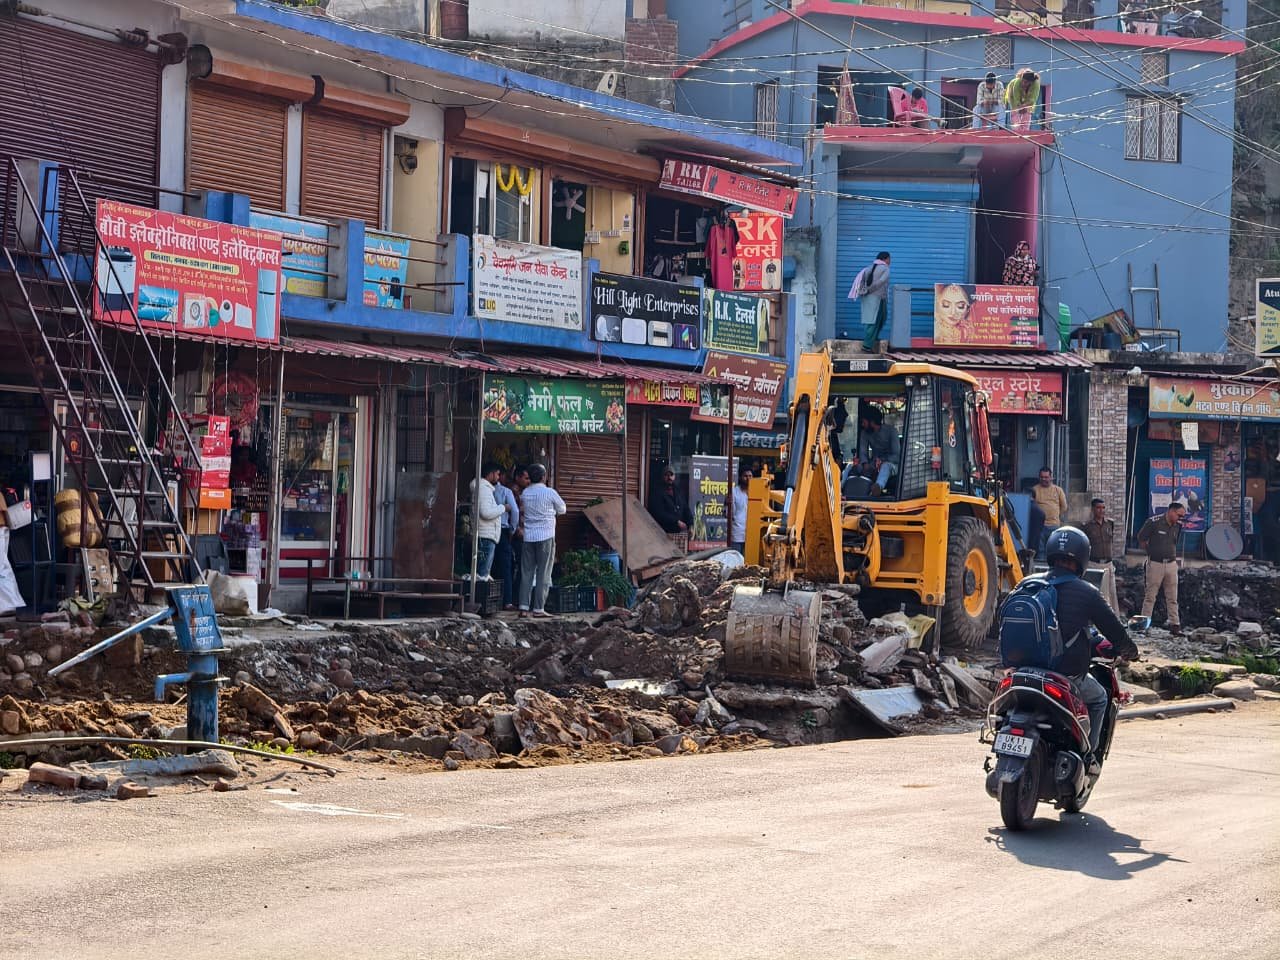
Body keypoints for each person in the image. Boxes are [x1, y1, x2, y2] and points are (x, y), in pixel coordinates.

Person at [1040, 526, 1139, 761]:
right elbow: (1116, 632)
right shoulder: (1087, 592)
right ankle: (1088, 757)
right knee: (1099, 698)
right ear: (1083, 558)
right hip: (1064, 675)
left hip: (1021, 671)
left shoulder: (1028, 584)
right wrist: (1130, 651)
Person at [518, 463, 565, 617]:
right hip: (546, 537)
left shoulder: (525, 493)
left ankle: (524, 607)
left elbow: (523, 510)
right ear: (544, 477)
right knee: (544, 573)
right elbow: (562, 509)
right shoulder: (549, 492)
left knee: (527, 572)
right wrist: (551, 512)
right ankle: (538, 609)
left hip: (528, 537)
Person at [1138, 501, 1186, 633]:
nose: (1180, 519)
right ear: (1171, 511)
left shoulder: (1178, 526)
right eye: (1179, 515)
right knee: (1150, 596)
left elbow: (1174, 542)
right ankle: (1144, 625)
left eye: (1182, 517)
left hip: (1171, 564)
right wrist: (1151, 552)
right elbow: (1141, 538)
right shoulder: (1154, 522)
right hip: (1155, 564)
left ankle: (1175, 625)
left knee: (1172, 597)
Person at [852, 403, 900, 496]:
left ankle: (878, 487)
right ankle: (843, 487)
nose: (862, 424)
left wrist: (883, 460)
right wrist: (865, 464)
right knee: (854, 467)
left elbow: (897, 456)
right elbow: (863, 452)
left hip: (892, 466)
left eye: (864, 422)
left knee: (886, 466)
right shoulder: (865, 433)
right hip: (874, 464)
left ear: (872, 422)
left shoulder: (891, 431)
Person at [848, 252, 891, 352]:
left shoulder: (868, 268)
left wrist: (865, 291)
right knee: (876, 321)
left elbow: (860, 282)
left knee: (872, 320)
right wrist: (870, 290)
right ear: (885, 259)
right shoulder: (886, 269)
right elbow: (881, 282)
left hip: (867, 297)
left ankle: (872, 339)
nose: (890, 261)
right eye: (889, 259)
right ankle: (867, 346)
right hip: (878, 298)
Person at [469, 461, 505, 581]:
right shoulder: (483, 489)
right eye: (497, 474)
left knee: (482, 572)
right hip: (485, 535)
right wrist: (503, 508)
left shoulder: (484, 488)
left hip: (485, 534)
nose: (499, 477)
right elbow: (485, 513)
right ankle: (479, 599)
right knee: (482, 574)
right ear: (491, 474)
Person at [493, 466, 521, 609]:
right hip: (503, 531)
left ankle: (490, 600)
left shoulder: (479, 489)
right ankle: (508, 601)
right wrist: (513, 529)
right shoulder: (505, 491)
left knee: (489, 566)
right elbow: (515, 511)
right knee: (506, 566)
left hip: (486, 532)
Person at [1031, 466, 1068, 555]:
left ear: (1051, 477)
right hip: (1040, 527)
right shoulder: (1034, 489)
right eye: (1042, 477)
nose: (1044, 479)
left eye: (1046, 477)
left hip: (1054, 526)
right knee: (1040, 551)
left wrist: (1055, 515)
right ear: (1039, 477)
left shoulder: (1058, 490)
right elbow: (1032, 507)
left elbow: (1064, 507)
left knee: (1054, 551)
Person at [648, 466, 693, 534]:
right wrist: (676, 521)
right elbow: (659, 513)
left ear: (674, 476)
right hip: (663, 532)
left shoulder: (678, 491)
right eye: (666, 475)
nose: (669, 477)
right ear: (662, 477)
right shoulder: (657, 492)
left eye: (671, 475)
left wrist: (690, 524)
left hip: (678, 533)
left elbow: (686, 509)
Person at [1004, 68, 1041, 132]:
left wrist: (1024, 106)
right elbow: (1016, 99)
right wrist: (1019, 107)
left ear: (1031, 82)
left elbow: (1032, 100)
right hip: (1013, 95)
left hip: (1027, 100)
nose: (1023, 83)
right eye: (1023, 81)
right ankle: (1016, 132)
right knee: (1015, 114)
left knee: (1027, 112)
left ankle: (1025, 131)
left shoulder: (1036, 84)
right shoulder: (1017, 82)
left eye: (1026, 82)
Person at [1082, 497, 1115, 563]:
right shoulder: (1087, 526)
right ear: (1093, 509)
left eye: (1103, 508)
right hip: (1094, 563)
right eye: (1098, 508)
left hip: (1108, 563)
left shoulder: (1110, 523)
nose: (1101, 510)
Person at [730, 463, 752, 555]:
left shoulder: (757, 492)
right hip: (737, 533)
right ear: (740, 477)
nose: (748, 479)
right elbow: (729, 514)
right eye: (745, 476)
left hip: (752, 532)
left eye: (750, 476)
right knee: (737, 560)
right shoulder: (734, 492)